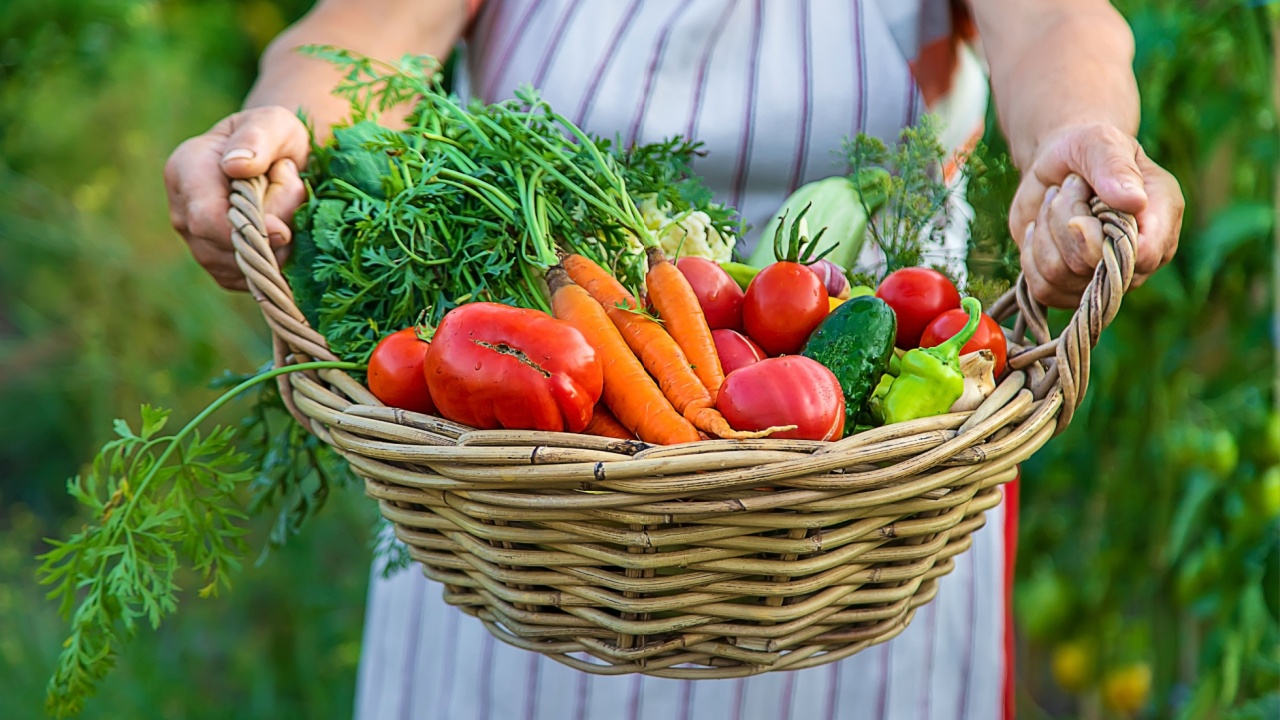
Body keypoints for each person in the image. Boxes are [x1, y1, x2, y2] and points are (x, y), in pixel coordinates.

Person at [165, 1, 1184, 718]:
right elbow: (361, 36)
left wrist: (1082, 138)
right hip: (527, 489)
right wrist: (282, 137)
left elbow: (1055, 20)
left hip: (861, 503)